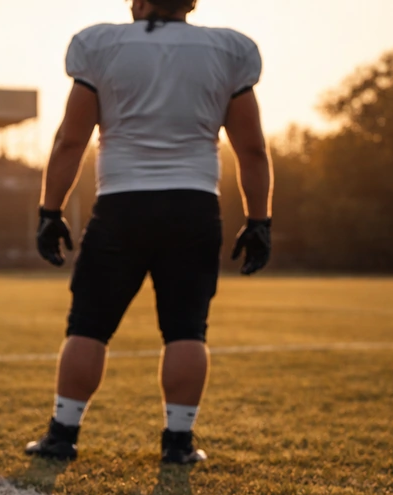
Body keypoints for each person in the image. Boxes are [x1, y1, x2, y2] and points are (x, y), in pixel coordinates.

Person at [26, 0, 273, 464]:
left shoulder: (101, 44)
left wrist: (49, 209)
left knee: (88, 326)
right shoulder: (229, 49)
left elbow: (70, 140)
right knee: (186, 329)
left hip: (122, 203)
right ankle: (178, 443)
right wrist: (259, 219)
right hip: (194, 205)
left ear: (138, 1)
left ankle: (63, 435)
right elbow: (252, 149)